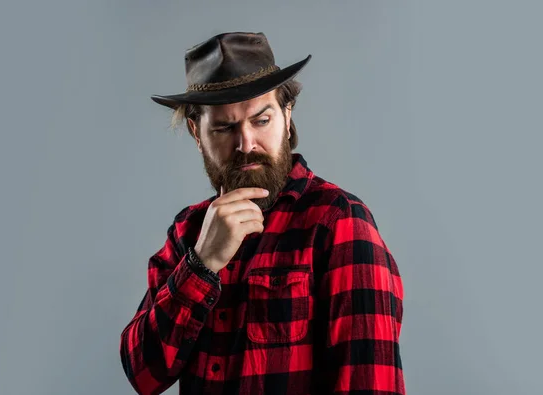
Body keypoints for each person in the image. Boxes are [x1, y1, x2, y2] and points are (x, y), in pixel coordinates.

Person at [120, 31, 405, 395]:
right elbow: (143, 375)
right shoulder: (188, 231)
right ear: (196, 132)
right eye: (224, 127)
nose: (246, 144)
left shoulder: (339, 221)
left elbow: (370, 383)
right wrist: (201, 265)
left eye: (261, 120)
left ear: (287, 115)